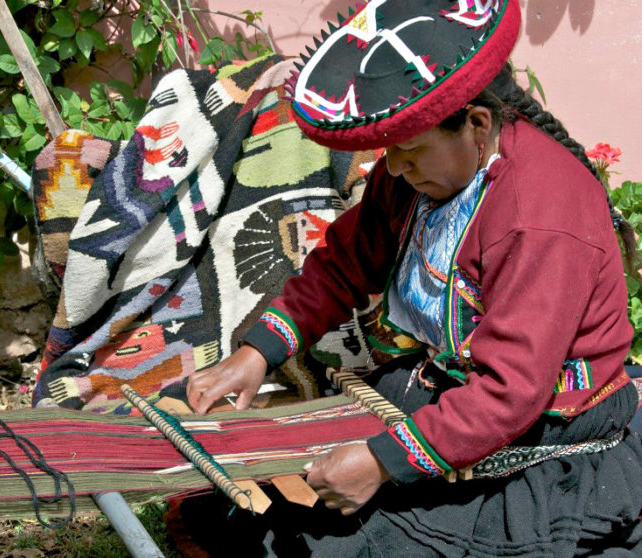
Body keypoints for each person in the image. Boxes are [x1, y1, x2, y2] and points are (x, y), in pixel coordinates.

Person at [182, 1, 642, 556]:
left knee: (333, 544)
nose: (394, 167)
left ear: (476, 124)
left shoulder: (539, 219)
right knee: (249, 512)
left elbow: (511, 390)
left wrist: (382, 461)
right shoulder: (420, 174)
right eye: (390, 151)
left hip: (539, 422)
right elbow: (345, 262)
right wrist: (257, 352)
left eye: (409, 150)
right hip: (446, 386)